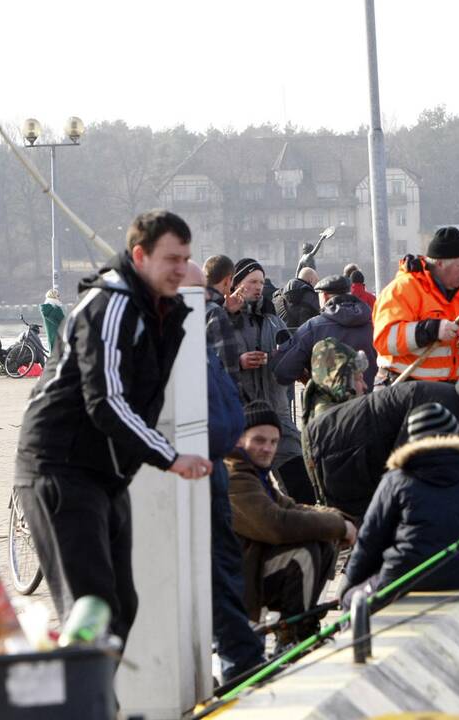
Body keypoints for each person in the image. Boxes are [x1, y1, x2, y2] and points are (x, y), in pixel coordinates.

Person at [15, 209, 212, 647]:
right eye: (171, 259)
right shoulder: (114, 303)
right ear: (139, 256)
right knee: (92, 609)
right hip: (59, 466)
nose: (181, 270)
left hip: (104, 474)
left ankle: (98, 702)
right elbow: (106, 401)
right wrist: (170, 456)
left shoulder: (159, 309)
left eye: (186, 259)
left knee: (121, 607)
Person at [183, 261, 265, 681]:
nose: (213, 300)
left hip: (218, 462)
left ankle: (238, 655)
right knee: (213, 568)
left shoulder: (198, 334)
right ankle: (237, 657)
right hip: (191, 470)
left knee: (225, 562)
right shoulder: (178, 339)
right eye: (201, 294)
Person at [338, 403, 459, 609]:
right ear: (455, 436)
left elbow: (370, 539)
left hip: (401, 578)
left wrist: (350, 585)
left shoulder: (397, 478)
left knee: (351, 600)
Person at [305, 369, 459, 517]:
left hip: (351, 451)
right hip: (337, 450)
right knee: (359, 533)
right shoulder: (445, 414)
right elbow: (408, 475)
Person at [226, 402, 355, 645]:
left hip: (254, 565)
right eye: (259, 441)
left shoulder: (253, 471)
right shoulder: (235, 476)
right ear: (239, 440)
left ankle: (300, 624)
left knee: (323, 545)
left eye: (274, 442)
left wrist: (342, 519)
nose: (268, 449)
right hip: (238, 580)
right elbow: (276, 525)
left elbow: (290, 506)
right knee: (303, 555)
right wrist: (339, 527)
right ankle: (292, 636)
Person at [228, 258, 312, 503]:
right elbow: (210, 360)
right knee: (250, 497)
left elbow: (291, 355)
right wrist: (239, 361)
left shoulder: (274, 320)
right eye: (251, 281)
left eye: (261, 282)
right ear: (235, 284)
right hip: (242, 423)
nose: (257, 287)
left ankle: (306, 538)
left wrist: (290, 364)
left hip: (279, 419)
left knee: (302, 491)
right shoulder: (223, 320)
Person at [372, 226, 459, 385]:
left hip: (449, 387)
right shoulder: (402, 289)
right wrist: (432, 330)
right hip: (403, 385)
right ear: (440, 264)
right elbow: (384, 338)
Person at [271, 274, 377, 390]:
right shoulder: (374, 323)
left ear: (324, 296)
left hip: (329, 404)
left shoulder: (313, 327)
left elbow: (283, 371)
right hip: (370, 401)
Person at [203, 255, 243, 381]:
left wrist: (226, 310)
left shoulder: (195, 303)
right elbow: (228, 365)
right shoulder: (216, 312)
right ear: (227, 280)